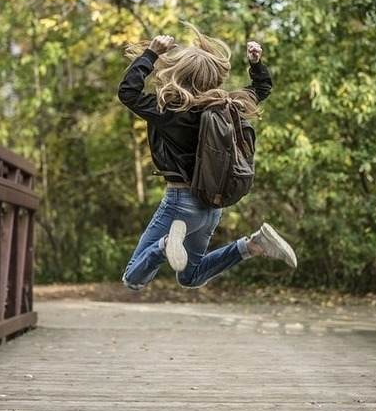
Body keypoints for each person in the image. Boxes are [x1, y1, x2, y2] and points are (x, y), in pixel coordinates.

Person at [118, 22, 297, 292]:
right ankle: (254, 245)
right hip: (211, 207)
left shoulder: (168, 110)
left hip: (180, 205)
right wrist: (256, 64)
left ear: (178, 72)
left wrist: (151, 54)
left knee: (133, 279)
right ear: (212, 77)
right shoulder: (228, 106)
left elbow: (128, 92)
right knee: (191, 276)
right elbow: (261, 90)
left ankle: (166, 245)